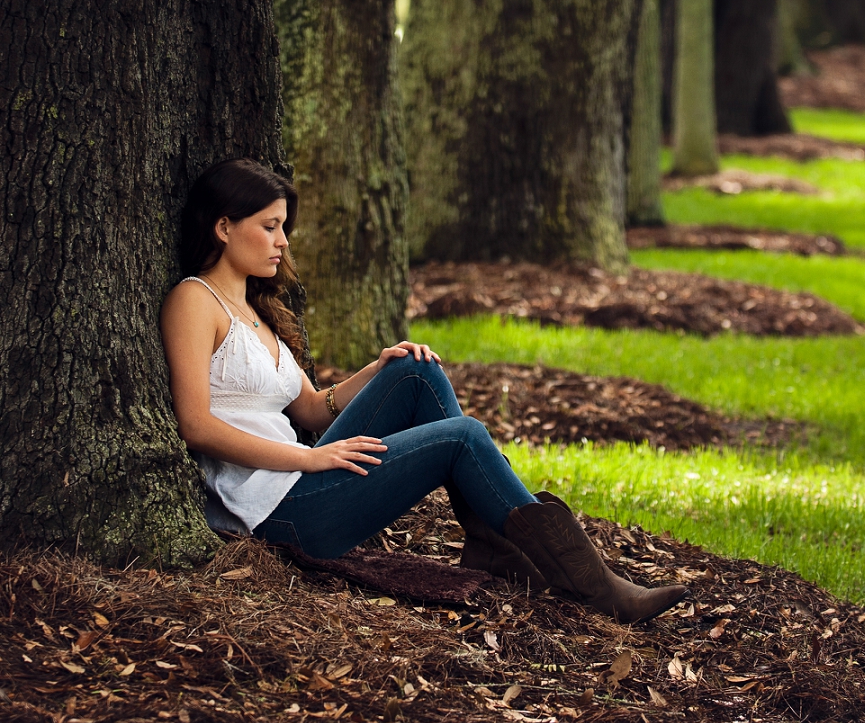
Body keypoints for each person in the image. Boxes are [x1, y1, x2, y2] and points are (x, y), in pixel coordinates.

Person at [161, 158, 687, 623]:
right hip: (279, 512)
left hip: (301, 478)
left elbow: (312, 408)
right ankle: (591, 586)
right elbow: (197, 425)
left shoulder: (258, 313)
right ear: (225, 227)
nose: (283, 241)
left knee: (416, 370)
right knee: (462, 436)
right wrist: (310, 461)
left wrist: (377, 368)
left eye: (284, 227)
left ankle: (493, 545)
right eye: (270, 226)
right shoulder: (194, 301)